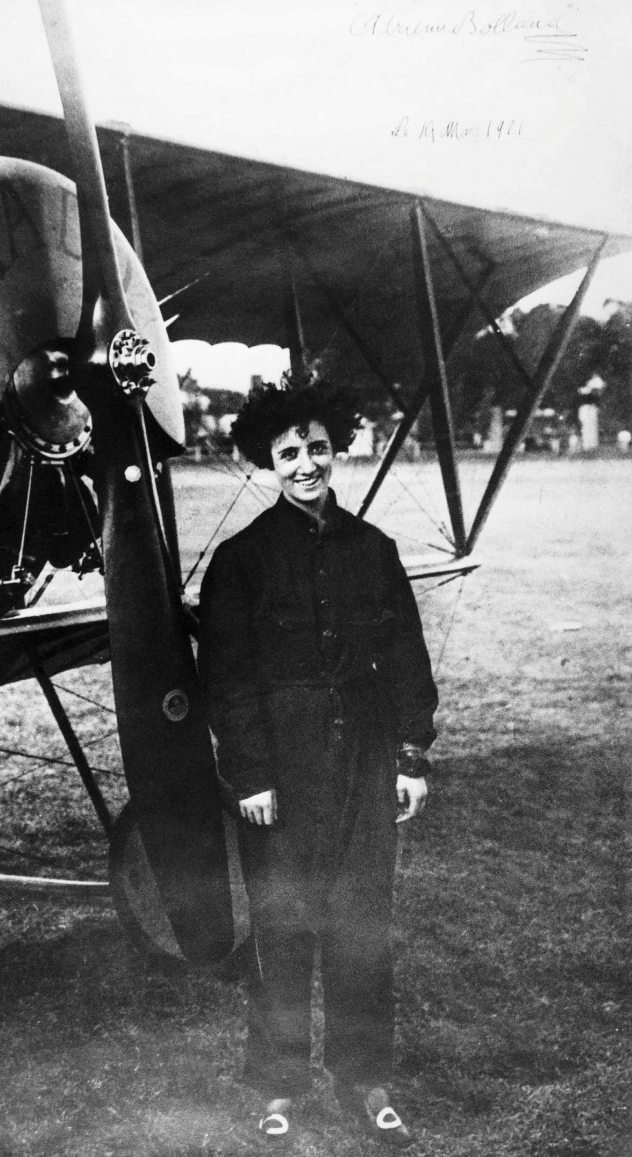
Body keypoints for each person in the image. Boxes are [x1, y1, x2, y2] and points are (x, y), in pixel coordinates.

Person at [197, 379, 438, 1147]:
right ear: (268, 461)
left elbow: (405, 655)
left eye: (318, 449)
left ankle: (367, 1079)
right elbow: (227, 681)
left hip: (363, 759)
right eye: (289, 452)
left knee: (361, 923)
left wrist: (409, 755)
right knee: (283, 925)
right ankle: (278, 1084)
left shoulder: (373, 550)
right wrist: (251, 774)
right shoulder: (239, 561)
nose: (306, 464)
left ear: (337, 450)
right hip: (282, 764)